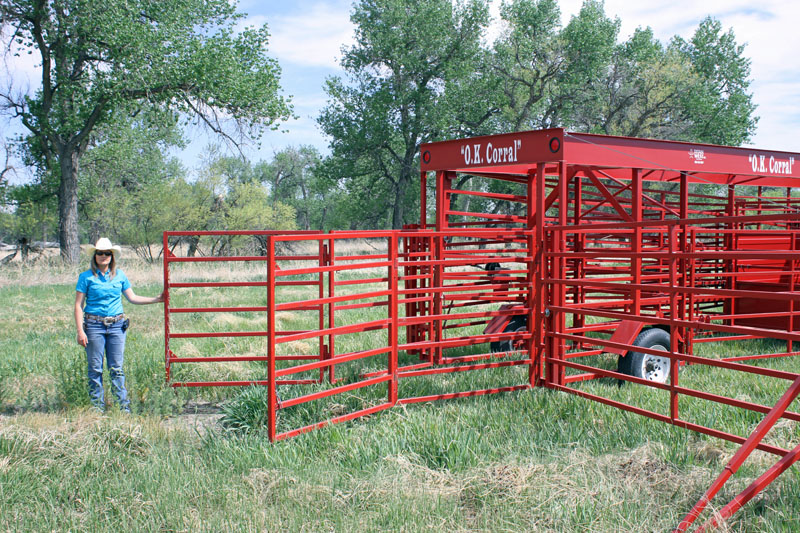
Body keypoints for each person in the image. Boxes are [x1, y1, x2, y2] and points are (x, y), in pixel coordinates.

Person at [74, 237, 164, 412]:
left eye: (107, 253)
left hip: (116, 325)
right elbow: (78, 305)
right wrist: (80, 331)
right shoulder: (86, 277)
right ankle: (97, 409)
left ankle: (123, 408)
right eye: (100, 253)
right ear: (94, 255)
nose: (104, 256)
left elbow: (132, 297)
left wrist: (157, 299)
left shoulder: (119, 275)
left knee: (116, 368)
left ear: (112, 256)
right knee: (95, 368)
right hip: (94, 326)